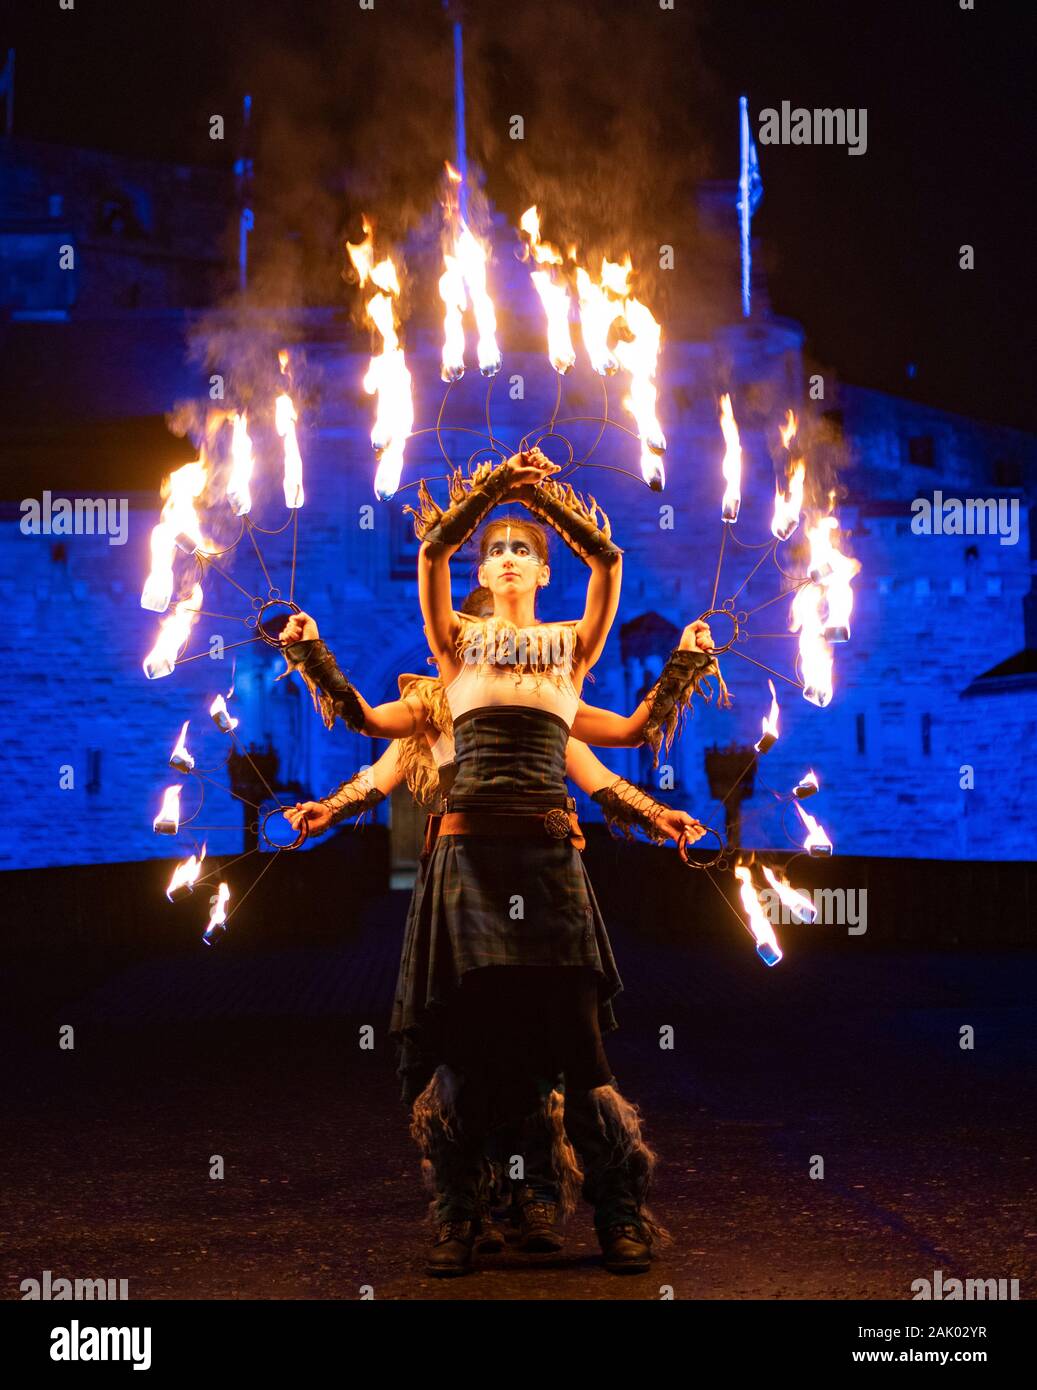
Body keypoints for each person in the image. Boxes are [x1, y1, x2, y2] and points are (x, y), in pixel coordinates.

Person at [280, 450, 728, 1275]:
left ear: (543, 570)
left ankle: (619, 1212)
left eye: (521, 549)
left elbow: (617, 729)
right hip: (466, 864)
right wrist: (490, 487)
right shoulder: (450, 657)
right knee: (460, 1046)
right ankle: (457, 1216)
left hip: (550, 863)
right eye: (493, 549)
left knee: (580, 1051)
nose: (505, 557)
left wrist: (684, 675)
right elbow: (424, 567)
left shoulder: (570, 651)